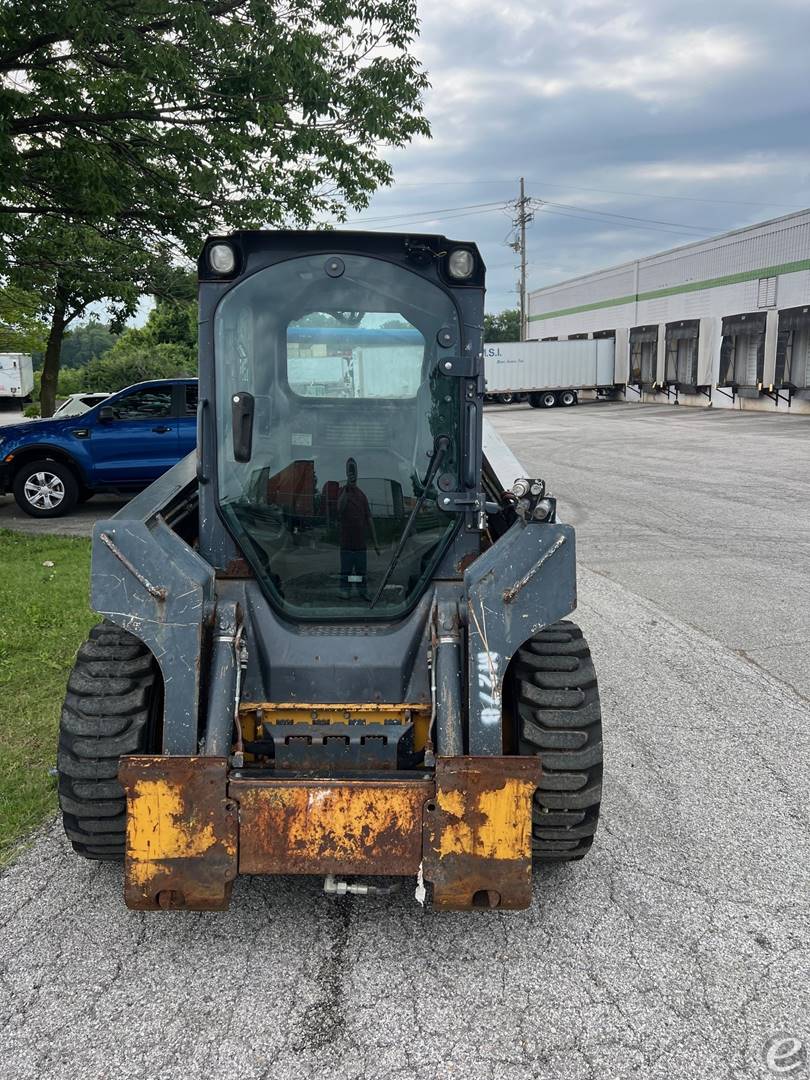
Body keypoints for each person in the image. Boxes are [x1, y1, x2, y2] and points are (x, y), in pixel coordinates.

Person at [337, 457, 380, 599]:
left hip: (360, 544)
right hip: (346, 543)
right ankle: (345, 590)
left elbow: (369, 519)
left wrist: (375, 543)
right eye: (350, 471)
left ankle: (362, 591)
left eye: (354, 471)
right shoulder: (343, 492)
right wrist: (347, 489)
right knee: (346, 570)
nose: (352, 475)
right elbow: (339, 508)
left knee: (362, 571)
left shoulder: (362, 496)